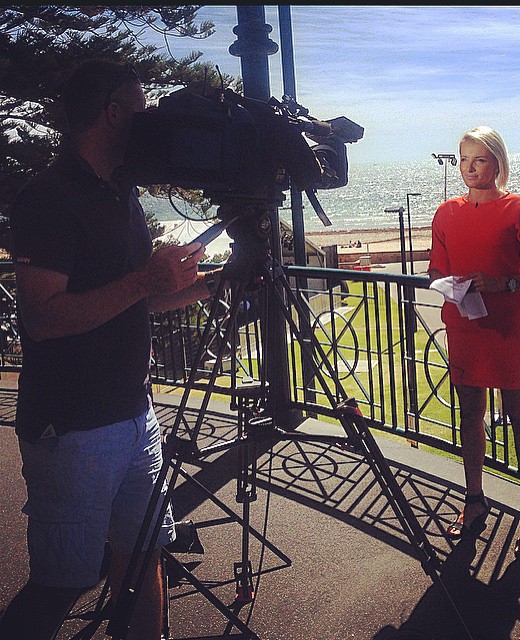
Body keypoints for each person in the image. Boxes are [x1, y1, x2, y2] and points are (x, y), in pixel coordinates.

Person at [0, 60, 225, 640]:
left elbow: (137, 299)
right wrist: (145, 279)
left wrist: (210, 285)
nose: (150, 123)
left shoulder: (121, 194)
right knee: (61, 584)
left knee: (144, 556)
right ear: (114, 113)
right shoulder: (48, 197)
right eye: (142, 111)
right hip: (72, 428)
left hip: (134, 414)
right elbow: (41, 318)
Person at [428, 126, 520, 558]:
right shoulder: (446, 213)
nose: (469, 168)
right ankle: (474, 499)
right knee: (470, 413)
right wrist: (449, 284)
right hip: (465, 327)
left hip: (508, 329)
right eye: (463, 159)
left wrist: (503, 282)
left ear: (497, 163)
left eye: (479, 159)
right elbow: (436, 269)